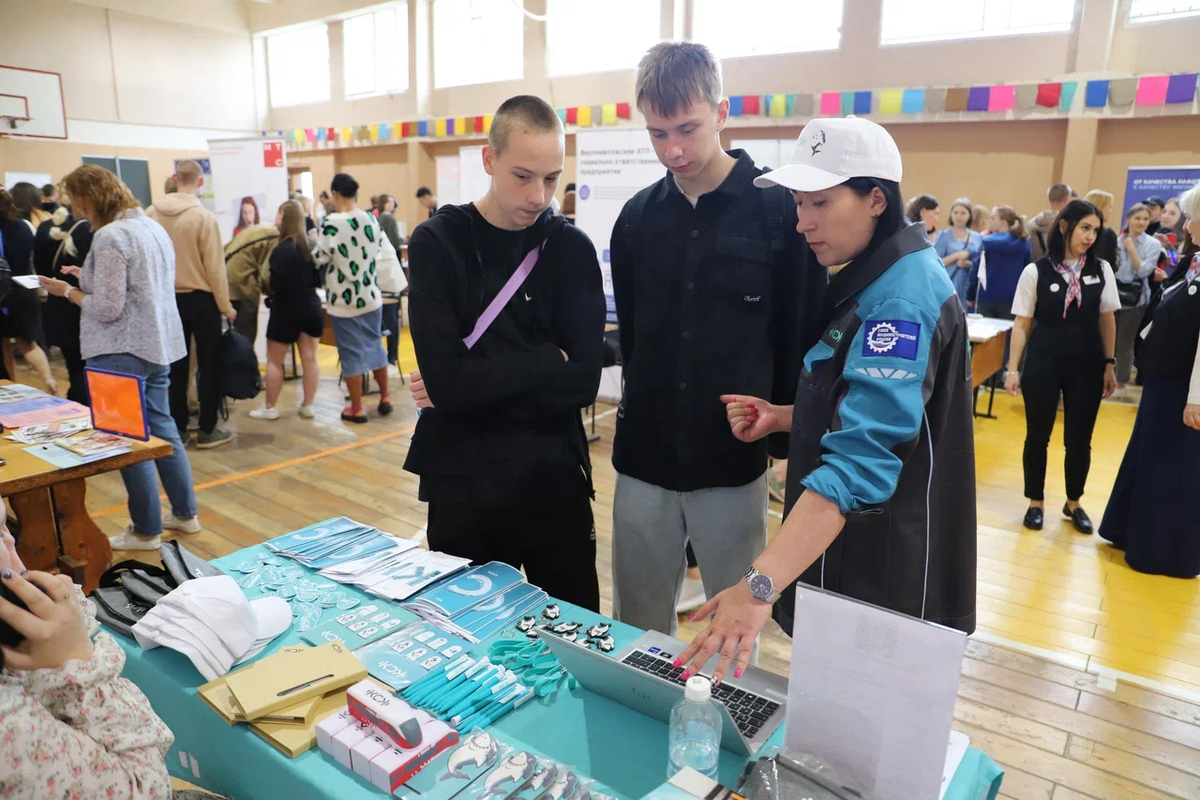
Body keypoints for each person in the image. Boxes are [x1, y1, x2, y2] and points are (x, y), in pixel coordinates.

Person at [676, 116, 975, 685]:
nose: (801, 223)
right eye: (797, 205)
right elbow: (870, 408)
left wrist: (759, 585)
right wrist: (789, 418)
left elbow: (859, 463)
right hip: (851, 565)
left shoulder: (901, 301)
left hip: (884, 580)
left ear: (876, 201)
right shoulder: (872, 277)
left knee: (863, 752)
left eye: (817, 204)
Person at [607, 42, 824, 641]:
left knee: (729, 636)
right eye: (656, 134)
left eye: (687, 129)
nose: (672, 150)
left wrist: (784, 432)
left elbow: (799, 332)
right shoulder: (635, 219)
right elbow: (635, 332)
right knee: (636, 630)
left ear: (722, 112)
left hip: (732, 463)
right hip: (643, 459)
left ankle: (722, 732)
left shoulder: (779, 212)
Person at [404, 95, 605, 611]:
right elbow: (446, 385)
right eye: (523, 176)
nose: (539, 195)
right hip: (464, 487)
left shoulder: (570, 248)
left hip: (552, 482)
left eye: (552, 178)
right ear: (489, 160)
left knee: (573, 638)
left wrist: (472, 384)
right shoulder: (437, 242)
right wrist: (544, 360)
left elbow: (584, 381)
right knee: (466, 643)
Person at [41, 164, 200, 550]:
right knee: (164, 433)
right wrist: (88, 274)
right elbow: (140, 284)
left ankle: (146, 530)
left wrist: (67, 290)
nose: (77, 211)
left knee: (128, 441)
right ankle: (185, 513)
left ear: (90, 198)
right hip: (155, 345)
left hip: (119, 349)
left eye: (78, 202)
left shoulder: (112, 236)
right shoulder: (150, 226)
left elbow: (109, 309)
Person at [0, 504, 175, 798]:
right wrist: (81, 666)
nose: (12, 546)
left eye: (7, 526)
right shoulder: (11, 729)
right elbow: (150, 789)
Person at [1100, 183, 1200, 577]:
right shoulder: (1192, 261)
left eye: (1192, 216)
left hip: (1183, 387)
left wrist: (1197, 396)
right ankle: (1126, 530)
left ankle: (1162, 552)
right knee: (1146, 459)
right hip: (1162, 381)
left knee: (1171, 471)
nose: (1188, 225)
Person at [1003, 200, 1119, 533]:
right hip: (1044, 362)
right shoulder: (1036, 270)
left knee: (1080, 439)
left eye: (1096, 230)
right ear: (1065, 226)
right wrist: (1012, 369)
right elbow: (1022, 323)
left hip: (1087, 365)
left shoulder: (1101, 270)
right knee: (1037, 435)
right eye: (1085, 228)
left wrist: (1110, 363)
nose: (1091, 237)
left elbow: (1107, 319)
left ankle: (1073, 502)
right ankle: (1035, 501)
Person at [147, 160, 237, 449]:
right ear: (200, 183)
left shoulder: (150, 215)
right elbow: (215, 269)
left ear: (174, 178)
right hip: (202, 302)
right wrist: (226, 306)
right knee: (209, 367)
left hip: (166, 300)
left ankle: (179, 429)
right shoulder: (203, 218)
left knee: (174, 368)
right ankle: (209, 429)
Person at [315, 172, 393, 423]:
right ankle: (385, 397)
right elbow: (381, 250)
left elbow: (320, 257)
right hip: (371, 295)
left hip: (343, 301)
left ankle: (357, 408)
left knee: (351, 353)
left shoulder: (332, 223)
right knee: (375, 345)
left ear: (335, 194)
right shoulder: (370, 218)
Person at [249, 200, 322, 421]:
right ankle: (308, 405)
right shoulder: (312, 245)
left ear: (284, 216)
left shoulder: (280, 250)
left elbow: (275, 284)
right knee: (310, 358)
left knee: (275, 360)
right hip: (311, 306)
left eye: (279, 213)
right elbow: (319, 279)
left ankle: (270, 407)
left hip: (285, 309)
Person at [33, 200, 93, 405]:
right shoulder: (90, 230)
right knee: (90, 369)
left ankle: (75, 404)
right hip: (84, 305)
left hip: (57, 306)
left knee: (74, 366)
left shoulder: (44, 228)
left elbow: (38, 267)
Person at [0, 185, 58, 394]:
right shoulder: (24, 226)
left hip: (4, 292)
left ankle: (9, 386)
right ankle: (48, 378)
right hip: (27, 288)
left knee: (4, 345)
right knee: (29, 343)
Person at [1113, 203, 1164, 387]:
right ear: (1128, 220)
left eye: (1145, 219)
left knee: (1124, 342)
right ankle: (1105, 377)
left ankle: (1121, 381)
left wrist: (1132, 249)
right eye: (1137, 218)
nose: (1141, 222)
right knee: (1108, 339)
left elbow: (1144, 271)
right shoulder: (1116, 241)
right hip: (1113, 296)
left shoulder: (1153, 244)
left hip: (1136, 299)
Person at [224, 218, 279, 344]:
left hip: (226, 280)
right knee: (246, 335)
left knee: (234, 336)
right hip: (242, 283)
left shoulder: (260, 229)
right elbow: (266, 274)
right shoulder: (275, 237)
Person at [974, 206, 1032, 319]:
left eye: (992, 218)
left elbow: (977, 270)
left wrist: (970, 294)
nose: (989, 221)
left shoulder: (986, 242)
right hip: (1013, 297)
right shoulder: (1024, 243)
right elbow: (1027, 270)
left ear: (1003, 222)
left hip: (987, 297)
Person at [934, 197, 983, 309]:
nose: (959, 216)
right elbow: (936, 262)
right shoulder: (943, 236)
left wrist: (967, 264)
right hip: (949, 286)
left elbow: (981, 265)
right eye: (955, 212)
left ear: (969, 215)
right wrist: (956, 256)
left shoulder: (976, 237)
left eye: (963, 213)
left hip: (970, 287)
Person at [1029, 182, 1072, 262]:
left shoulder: (1032, 222)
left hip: (1033, 268)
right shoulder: (1066, 225)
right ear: (1066, 200)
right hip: (1055, 269)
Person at [1084, 190, 1119, 270]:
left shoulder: (1078, 230)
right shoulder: (1108, 234)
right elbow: (1113, 265)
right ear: (1101, 206)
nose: (1111, 211)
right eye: (1110, 207)